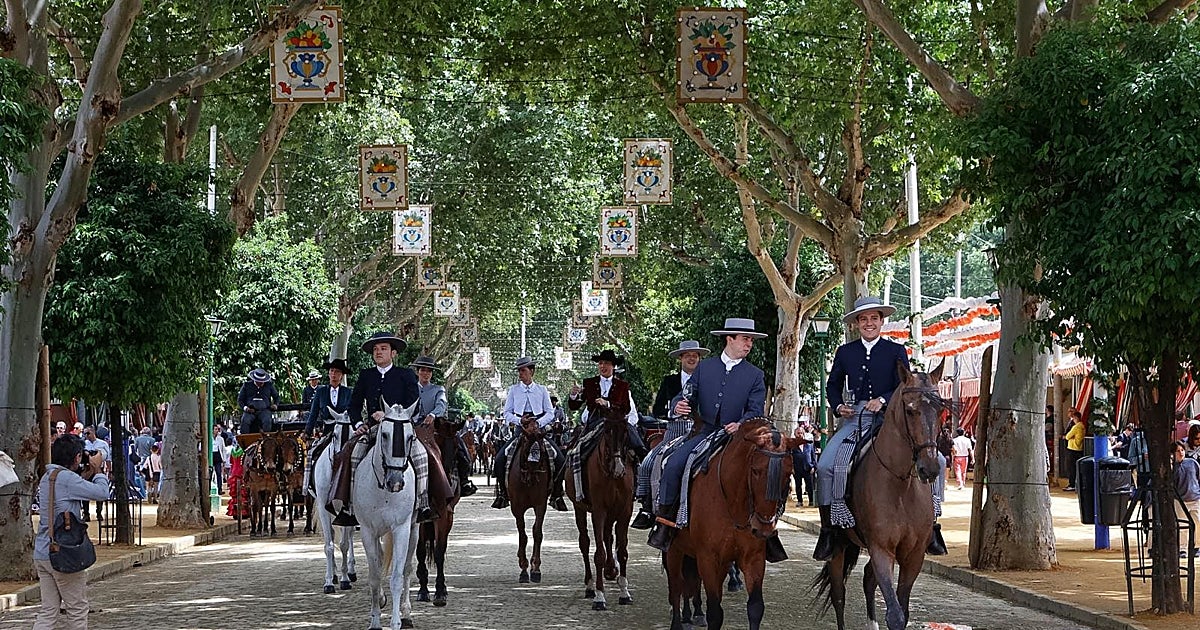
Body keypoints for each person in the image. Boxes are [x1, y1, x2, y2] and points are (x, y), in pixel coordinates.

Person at [813, 296, 946, 561]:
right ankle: (829, 530)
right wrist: (839, 406)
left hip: (893, 417)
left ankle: (931, 526)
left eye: (874, 318)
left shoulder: (895, 350)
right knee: (826, 465)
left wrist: (883, 400)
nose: (869, 323)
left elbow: (906, 385)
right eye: (864, 319)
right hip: (855, 418)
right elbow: (832, 385)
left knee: (939, 461)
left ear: (882, 321)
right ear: (857, 324)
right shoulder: (845, 352)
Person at [648, 318, 778, 559]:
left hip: (741, 438)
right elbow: (686, 394)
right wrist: (678, 405)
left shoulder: (755, 375)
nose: (749, 344)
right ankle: (664, 523)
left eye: (751, 340)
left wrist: (740, 424)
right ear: (730, 339)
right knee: (673, 465)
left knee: (769, 469)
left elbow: (756, 410)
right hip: (706, 432)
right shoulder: (704, 368)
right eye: (745, 339)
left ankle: (769, 531)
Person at [330, 331, 437, 525]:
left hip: (402, 428)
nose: (378, 352)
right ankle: (349, 506)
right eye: (376, 349)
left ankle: (423, 503)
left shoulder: (405, 375)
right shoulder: (365, 375)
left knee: (422, 454)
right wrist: (359, 424)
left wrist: (392, 415)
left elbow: (414, 403)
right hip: (373, 428)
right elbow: (354, 406)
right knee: (351, 453)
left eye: (383, 349)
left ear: (393, 353)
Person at [33, 434, 111, 630]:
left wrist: (86, 471)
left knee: (48, 610)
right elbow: (102, 493)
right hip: (63, 553)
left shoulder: (48, 476)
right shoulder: (67, 479)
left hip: (43, 551)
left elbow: (73, 487)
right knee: (77, 608)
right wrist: (99, 470)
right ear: (77, 457)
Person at [632, 340, 709, 529]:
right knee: (648, 463)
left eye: (695, 355)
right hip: (675, 430)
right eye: (688, 355)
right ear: (681, 358)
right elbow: (658, 409)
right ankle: (648, 507)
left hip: (702, 429)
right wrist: (673, 411)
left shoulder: (708, 381)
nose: (692, 358)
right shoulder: (670, 382)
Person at [565, 349, 647, 505]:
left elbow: (626, 408)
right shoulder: (589, 383)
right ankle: (574, 486)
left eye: (607, 363)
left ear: (613, 366)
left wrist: (608, 403)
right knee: (576, 450)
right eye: (601, 363)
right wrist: (574, 395)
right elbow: (575, 406)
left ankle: (641, 480)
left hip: (617, 422)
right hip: (595, 423)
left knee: (637, 445)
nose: (603, 366)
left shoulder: (623, 386)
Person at [491, 356, 567, 511]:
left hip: (539, 430)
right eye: (519, 371)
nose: (521, 374)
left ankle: (556, 494)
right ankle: (503, 494)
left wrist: (538, 423)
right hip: (520, 429)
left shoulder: (542, 390)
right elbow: (507, 413)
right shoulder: (513, 390)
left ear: (531, 371)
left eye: (523, 370)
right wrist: (520, 421)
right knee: (499, 460)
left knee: (560, 459)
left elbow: (550, 413)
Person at [413, 355, 477, 498]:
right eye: (423, 370)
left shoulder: (438, 389)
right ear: (418, 372)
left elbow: (441, 405)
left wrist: (433, 415)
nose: (426, 373)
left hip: (435, 425)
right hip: (413, 425)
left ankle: (464, 481)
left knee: (459, 447)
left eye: (429, 371)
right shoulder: (410, 389)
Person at [1173, 440, 1200, 558]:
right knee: (1182, 525)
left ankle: (1197, 546)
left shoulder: (1193, 463)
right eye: (1178, 451)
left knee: (1198, 523)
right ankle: (1182, 548)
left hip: (1195, 498)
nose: (1181, 453)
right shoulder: (1173, 468)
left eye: (1182, 450)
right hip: (1180, 500)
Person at [237, 368, 279, 434]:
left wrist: (275, 404)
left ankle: (266, 439)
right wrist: (246, 408)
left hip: (264, 410)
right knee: (244, 420)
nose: (261, 383)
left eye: (262, 381)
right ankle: (245, 440)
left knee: (267, 421)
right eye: (259, 381)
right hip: (250, 411)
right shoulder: (246, 385)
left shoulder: (269, 385)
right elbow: (240, 400)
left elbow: (276, 397)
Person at [792, 425, 817, 506]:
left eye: (801, 433)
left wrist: (813, 466)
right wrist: (792, 468)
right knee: (798, 485)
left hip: (808, 468)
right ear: (795, 434)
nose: (800, 435)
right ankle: (800, 501)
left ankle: (811, 500)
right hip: (797, 469)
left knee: (809, 485)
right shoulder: (792, 446)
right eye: (798, 433)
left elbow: (813, 456)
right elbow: (790, 457)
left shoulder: (809, 444)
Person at [1063, 409, 1086, 491]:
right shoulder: (1082, 426)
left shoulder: (1076, 427)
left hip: (1072, 448)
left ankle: (1071, 484)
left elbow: (1068, 436)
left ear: (1076, 418)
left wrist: (1068, 437)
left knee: (1071, 468)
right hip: (1079, 449)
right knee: (1075, 468)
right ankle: (1074, 484)